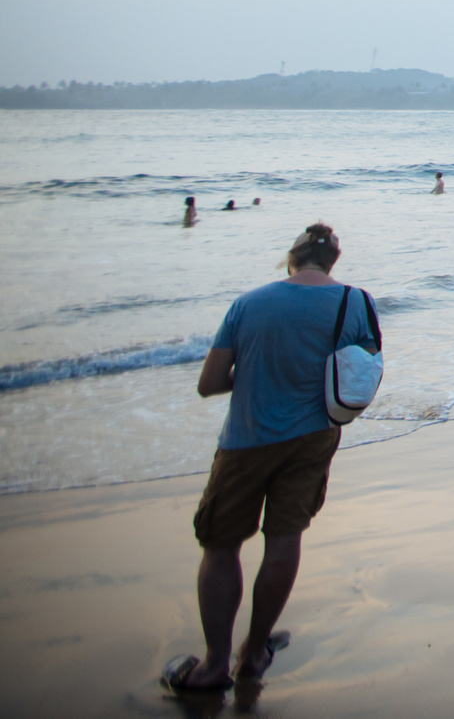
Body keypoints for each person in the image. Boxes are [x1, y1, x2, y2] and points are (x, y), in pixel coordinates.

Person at [161, 223, 380, 697]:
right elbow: (361, 371)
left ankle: (214, 665)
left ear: (291, 258)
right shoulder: (356, 302)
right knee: (283, 541)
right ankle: (254, 653)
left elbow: (210, 383)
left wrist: (256, 374)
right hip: (314, 439)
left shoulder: (249, 304)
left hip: (247, 439)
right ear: (333, 262)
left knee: (221, 546)